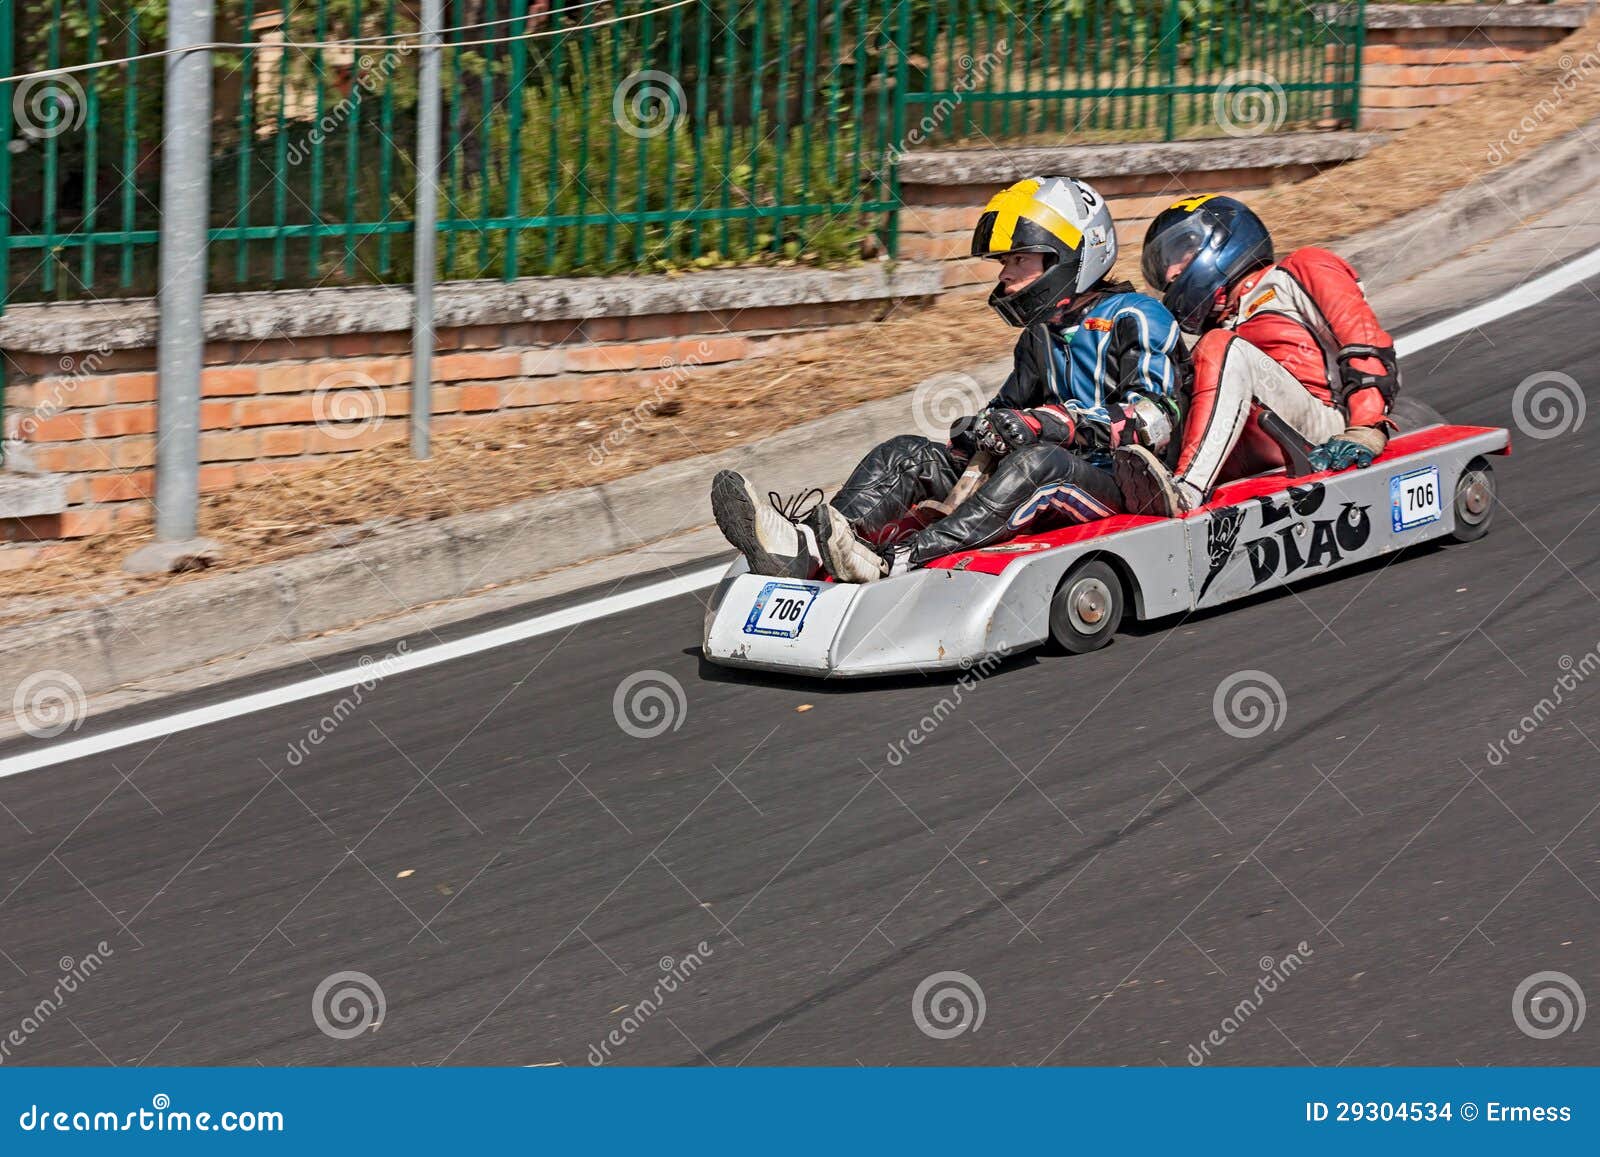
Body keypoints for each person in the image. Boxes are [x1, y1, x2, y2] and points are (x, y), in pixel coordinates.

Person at [708, 175, 1190, 584]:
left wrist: (1050, 425)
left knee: (1039, 462)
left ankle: (895, 560)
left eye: (1019, 260)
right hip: (1046, 468)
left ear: (1071, 256)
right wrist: (983, 428)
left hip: (1119, 482)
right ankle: (807, 547)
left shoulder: (1139, 316)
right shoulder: (1038, 338)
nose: (1005, 276)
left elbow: (1158, 418)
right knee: (907, 452)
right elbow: (1008, 416)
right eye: (1004, 263)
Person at [1114, 194, 1400, 517]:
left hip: (1327, 430)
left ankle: (1186, 492)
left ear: (1227, 235)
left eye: (1181, 252)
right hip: (1259, 442)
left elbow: (1364, 342)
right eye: (1165, 266)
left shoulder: (1300, 269)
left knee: (1219, 346)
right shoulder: (1217, 331)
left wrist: (1366, 425)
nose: (1171, 274)